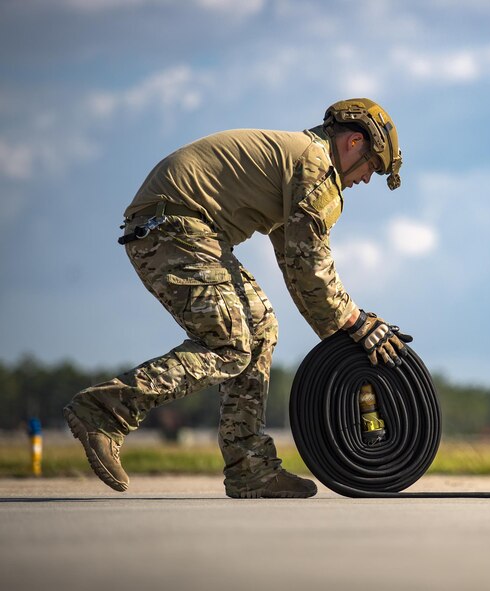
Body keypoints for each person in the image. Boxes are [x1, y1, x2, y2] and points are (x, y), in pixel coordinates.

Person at [64, 98, 411, 499]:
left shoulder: (299, 164)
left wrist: (340, 339)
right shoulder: (316, 169)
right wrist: (356, 323)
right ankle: (104, 411)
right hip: (175, 228)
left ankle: (251, 469)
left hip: (180, 227)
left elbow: (299, 270)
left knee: (260, 326)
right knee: (229, 344)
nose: (366, 179)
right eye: (371, 166)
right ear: (353, 143)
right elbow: (313, 268)